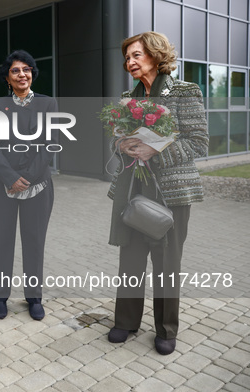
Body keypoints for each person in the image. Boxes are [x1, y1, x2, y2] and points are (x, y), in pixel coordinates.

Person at [107, 32, 209, 355]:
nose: (130, 62)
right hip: (134, 188)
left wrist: (156, 152)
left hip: (171, 194)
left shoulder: (184, 92)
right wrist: (122, 144)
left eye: (136, 55)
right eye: (127, 58)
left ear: (155, 55)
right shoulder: (128, 96)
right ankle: (125, 321)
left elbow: (198, 143)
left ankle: (166, 329)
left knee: (167, 262)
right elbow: (116, 140)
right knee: (131, 259)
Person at [0, 50, 57, 321]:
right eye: (16, 70)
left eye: (27, 69)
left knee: (34, 241)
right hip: (1, 185)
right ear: (7, 77)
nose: (22, 74)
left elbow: (50, 143)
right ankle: (0, 297)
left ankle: (34, 297)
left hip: (38, 186)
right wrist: (10, 177)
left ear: (32, 74)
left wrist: (26, 178)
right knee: (2, 241)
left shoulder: (48, 104)